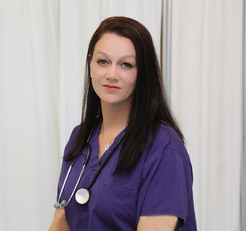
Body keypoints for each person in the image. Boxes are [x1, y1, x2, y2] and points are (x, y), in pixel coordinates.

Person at [49, 16, 197, 231]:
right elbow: (61, 222)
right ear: (90, 63)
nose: (112, 74)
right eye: (103, 61)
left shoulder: (163, 148)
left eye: (126, 65)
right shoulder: (80, 138)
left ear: (142, 73)